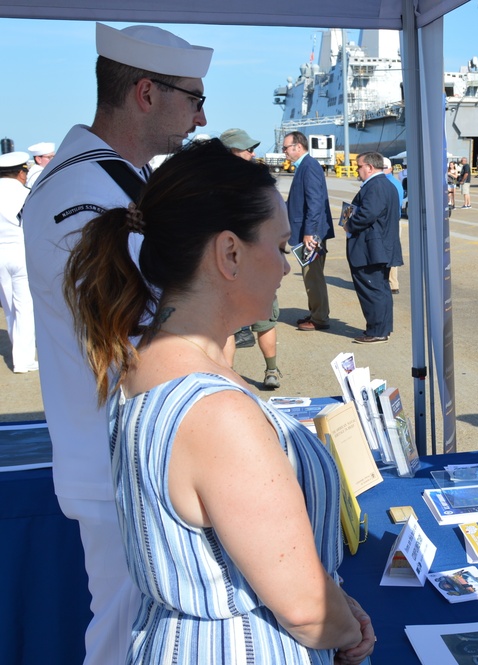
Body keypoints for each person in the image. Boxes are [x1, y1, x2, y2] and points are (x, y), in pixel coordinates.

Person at [62, 138, 375, 664]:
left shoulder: (142, 364)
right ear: (229, 252)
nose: (286, 267)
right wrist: (350, 629)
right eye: (278, 248)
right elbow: (303, 609)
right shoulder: (217, 412)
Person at [20, 22, 211, 665]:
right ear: (148, 94)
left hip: (126, 454)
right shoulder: (83, 194)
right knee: (129, 634)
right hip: (118, 461)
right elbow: (133, 330)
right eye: (193, 98)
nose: (200, 115)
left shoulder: (110, 181)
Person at [219, 128, 282, 388]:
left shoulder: (213, 183)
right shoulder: (260, 181)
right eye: (247, 149)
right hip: (256, 261)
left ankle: (226, 377)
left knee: (228, 325)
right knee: (263, 319)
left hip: (229, 262)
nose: (252, 153)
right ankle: (271, 371)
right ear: (231, 151)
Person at [344, 152, 403, 344]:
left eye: (358, 166)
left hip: (372, 249)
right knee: (380, 289)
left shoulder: (376, 185)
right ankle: (381, 328)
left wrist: (349, 225)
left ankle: (377, 330)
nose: (357, 170)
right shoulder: (387, 183)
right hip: (380, 246)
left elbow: (368, 214)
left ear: (369, 167)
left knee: (372, 290)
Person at [282, 130, 334, 332]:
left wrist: (309, 233)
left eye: (286, 147)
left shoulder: (309, 166)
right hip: (308, 231)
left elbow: (315, 203)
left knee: (313, 276)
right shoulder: (304, 166)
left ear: (298, 146)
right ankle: (316, 312)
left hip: (311, 235)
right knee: (311, 275)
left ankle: (320, 318)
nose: (284, 151)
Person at [0, 151, 36, 373]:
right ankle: (23, 360)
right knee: (25, 305)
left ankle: (18, 351)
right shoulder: (26, 194)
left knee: (8, 306)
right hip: (21, 250)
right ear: (20, 173)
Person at [383, 161, 405, 295]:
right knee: (391, 252)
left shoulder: (388, 184)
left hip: (389, 222)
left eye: (384, 168)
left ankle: (391, 283)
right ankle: (393, 283)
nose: (383, 170)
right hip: (394, 220)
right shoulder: (396, 182)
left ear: (391, 168)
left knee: (389, 252)